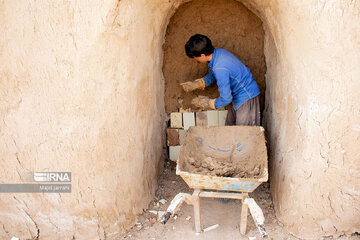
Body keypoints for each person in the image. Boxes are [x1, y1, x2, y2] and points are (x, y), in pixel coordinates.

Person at [181, 34, 261, 126]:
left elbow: (226, 98)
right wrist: (199, 83)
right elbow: (213, 75)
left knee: (243, 134)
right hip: (236, 96)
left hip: (247, 97)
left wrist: (209, 103)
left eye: (195, 58)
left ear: (202, 55)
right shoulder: (218, 54)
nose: (195, 60)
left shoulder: (219, 67)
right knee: (229, 129)